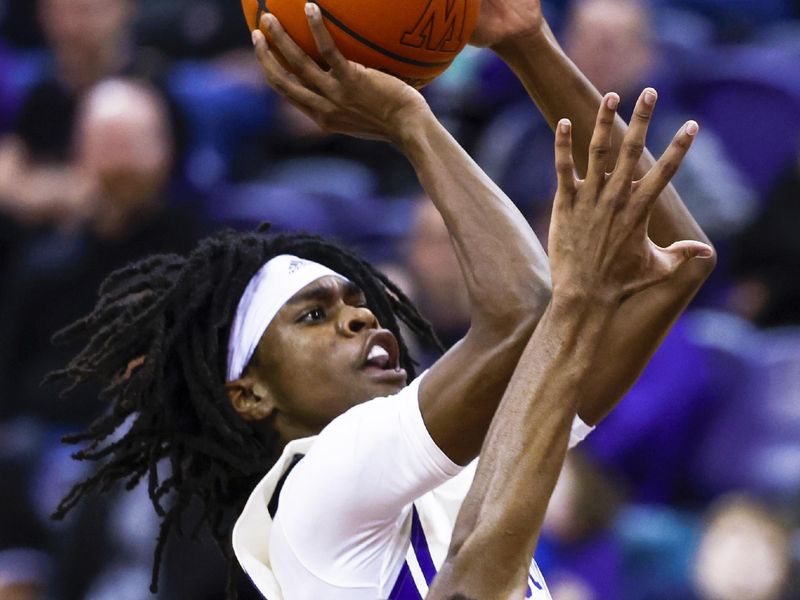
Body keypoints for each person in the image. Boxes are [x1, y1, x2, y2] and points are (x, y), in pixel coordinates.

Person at [51, 1, 715, 598]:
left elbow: (677, 266)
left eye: (355, 298)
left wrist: (528, 40)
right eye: (313, 315)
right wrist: (408, 119)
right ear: (251, 394)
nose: (360, 316)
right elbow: (524, 317)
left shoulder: (448, 467)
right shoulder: (311, 487)